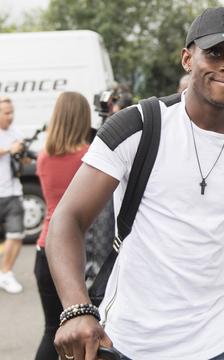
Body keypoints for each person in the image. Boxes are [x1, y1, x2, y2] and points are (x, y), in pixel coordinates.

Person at [46, 7, 224, 360]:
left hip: (216, 343)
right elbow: (67, 218)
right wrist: (77, 309)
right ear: (187, 58)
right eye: (215, 53)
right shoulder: (136, 126)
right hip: (132, 344)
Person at [34, 92, 92, 360]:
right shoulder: (89, 155)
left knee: (51, 329)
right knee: (86, 331)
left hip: (45, 248)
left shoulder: (44, 155)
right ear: (83, 117)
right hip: (77, 252)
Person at [0, 96, 25, 294]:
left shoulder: (16, 132)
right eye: (6, 113)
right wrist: (10, 149)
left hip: (14, 191)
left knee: (16, 234)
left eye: (12, 112)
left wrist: (22, 154)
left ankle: (6, 273)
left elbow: (22, 160)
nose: (10, 116)